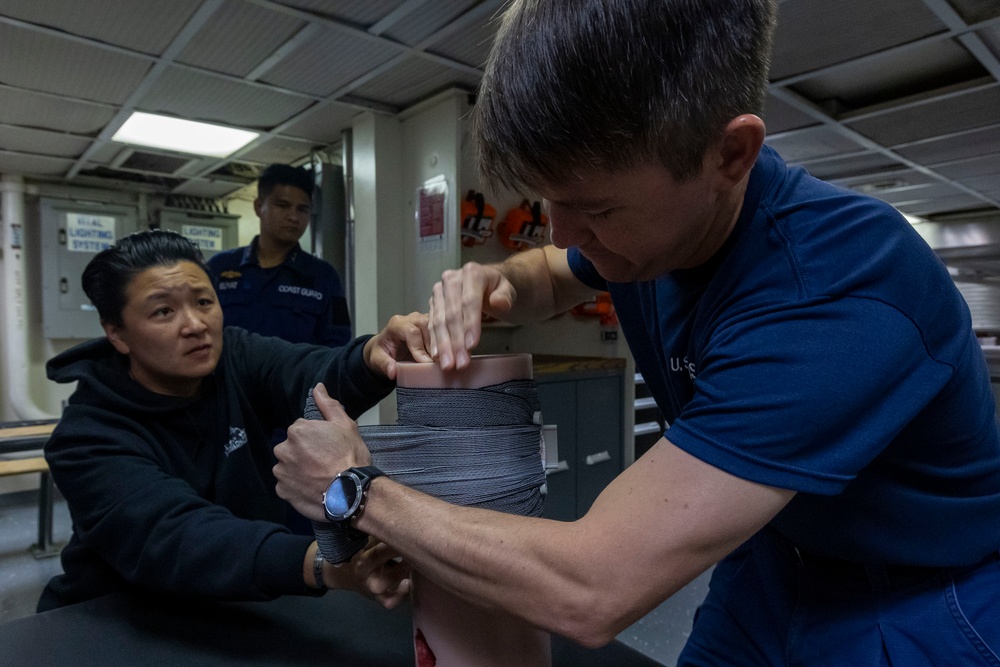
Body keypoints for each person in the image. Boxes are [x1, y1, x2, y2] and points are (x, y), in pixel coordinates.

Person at [273, 0, 1000, 664]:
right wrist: (498, 283)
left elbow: (593, 587)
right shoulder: (662, 227)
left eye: (594, 208)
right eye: (548, 200)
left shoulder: (837, 294)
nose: (564, 229)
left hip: (916, 597)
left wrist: (354, 489)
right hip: (777, 560)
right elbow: (559, 269)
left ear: (730, 155)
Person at [38, 230, 429, 613]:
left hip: (236, 609)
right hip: (119, 618)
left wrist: (373, 355)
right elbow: (175, 537)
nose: (195, 324)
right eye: (163, 311)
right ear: (116, 334)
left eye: (204, 301)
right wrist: (323, 563)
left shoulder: (235, 357)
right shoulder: (85, 436)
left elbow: (308, 375)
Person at [207, 163, 351, 347]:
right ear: (259, 207)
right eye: (283, 205)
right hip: (228, 376)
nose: (294, 217)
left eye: (302, 209)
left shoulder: (323, 276)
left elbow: (337, 348)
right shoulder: (220, 267)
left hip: (297, 376)